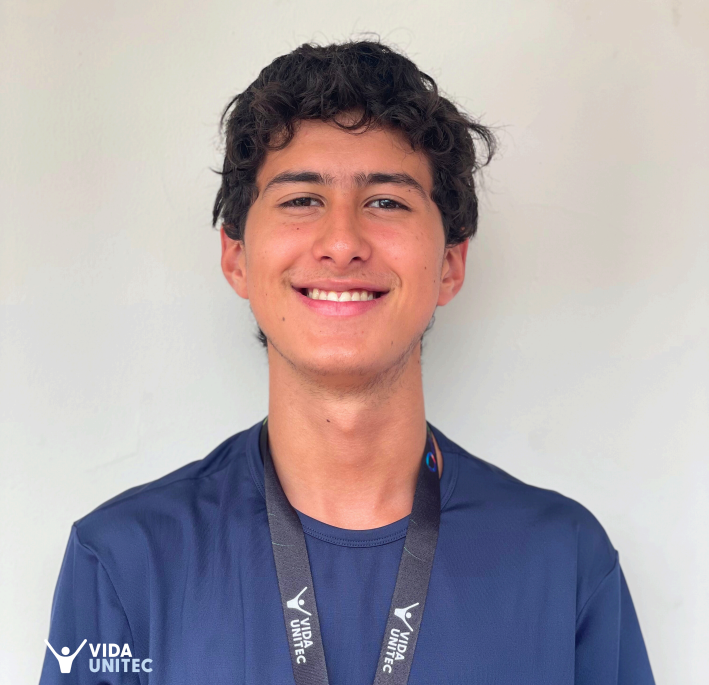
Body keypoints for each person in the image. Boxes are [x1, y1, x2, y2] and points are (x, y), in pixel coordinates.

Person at [39, 40, 655, 684]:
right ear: (236, 257)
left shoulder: (563, 562)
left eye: (386, 201)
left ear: (450, 264)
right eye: (301, 199)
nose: (341, 243)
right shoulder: (123, 561)